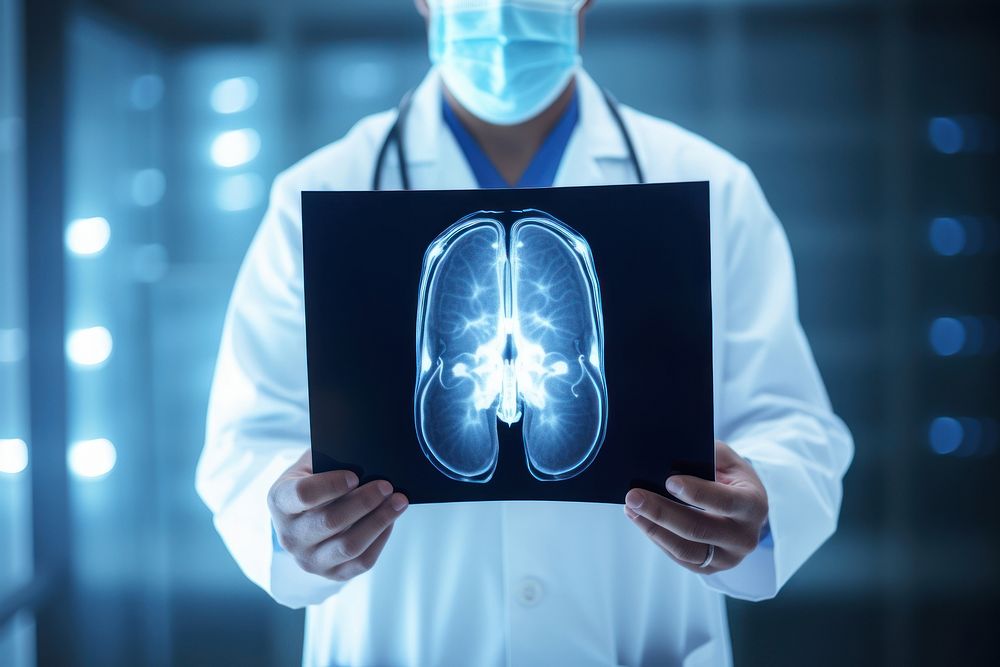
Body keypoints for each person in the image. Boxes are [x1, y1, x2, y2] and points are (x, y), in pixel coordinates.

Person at [196, 0, 854, 664]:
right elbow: (242, 446)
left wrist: (764, 505)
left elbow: (793, 422)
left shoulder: (716, 187)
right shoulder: (313, 192)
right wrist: (287, 525)